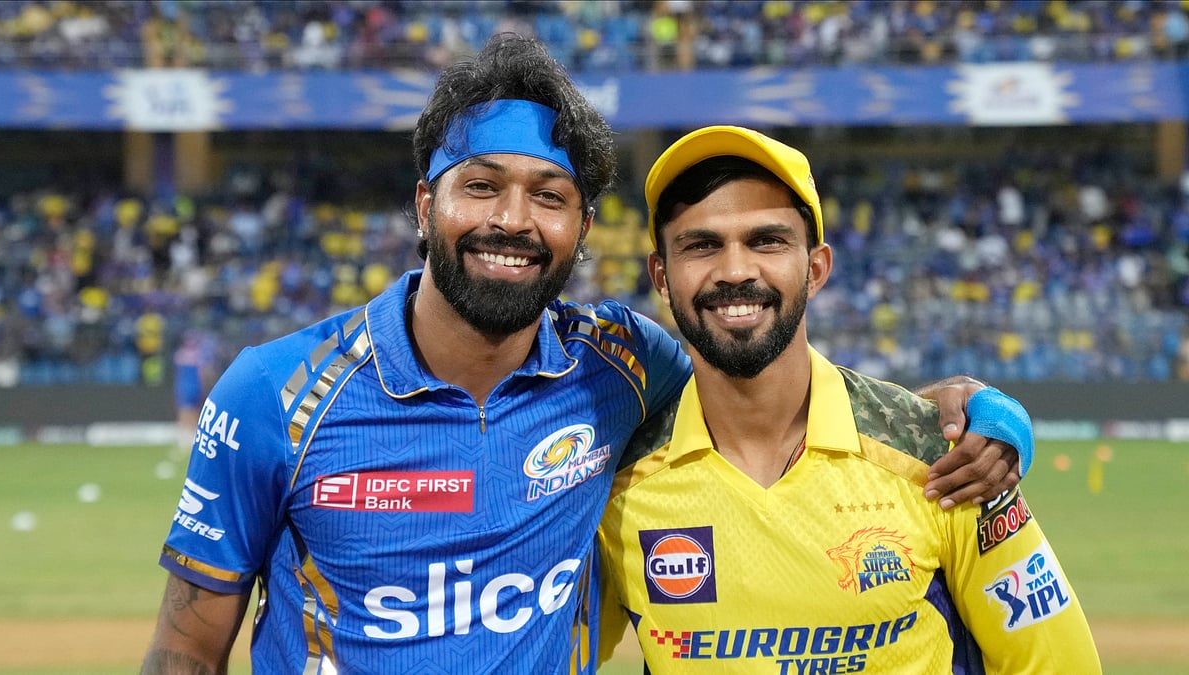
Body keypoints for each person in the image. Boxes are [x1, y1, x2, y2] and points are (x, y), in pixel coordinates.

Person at [141, 35, 1030, 673]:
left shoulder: (622, 366)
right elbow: (186, 646)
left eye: (549, 195)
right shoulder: (274, 393)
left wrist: (970, 407)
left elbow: (767, 382)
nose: (512, 220)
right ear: (424, 204)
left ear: (582, 228)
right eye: (479, 186)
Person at [596, 126, 1101, 672]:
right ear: (661, 277)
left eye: (766, 241)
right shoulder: (615, 487)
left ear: (815, 269)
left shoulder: (944, 457)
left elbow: (1057, 663)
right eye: (702, 245)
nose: (736, 270)